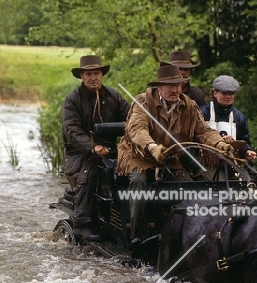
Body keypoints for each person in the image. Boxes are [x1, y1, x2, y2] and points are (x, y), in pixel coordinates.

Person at [116, 64, 232, 247]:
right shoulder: (142, 102)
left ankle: (182, 231)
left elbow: (203, 131)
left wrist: (219, 143)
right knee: (138, 180)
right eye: (170, 85)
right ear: (159, 87)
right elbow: (137, 129)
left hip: (170, 156)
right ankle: (135, 235)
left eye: (178, 85)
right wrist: (152, 147)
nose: (175, 90)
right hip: (139, 155)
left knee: (187, 184)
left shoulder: (189, 105)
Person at [62, 55, 130, 240]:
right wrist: (92, 148)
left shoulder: (113, 95)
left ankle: (128, 220)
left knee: (133, 171)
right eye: (89, 74)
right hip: (79, 154)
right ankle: (81, 223)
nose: (93, 77)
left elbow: (130, 117)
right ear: (82, 76)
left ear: (102, 75)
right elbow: (72, 131)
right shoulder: (72, 100)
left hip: (110, 150)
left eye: (97, 73)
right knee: (90, 174)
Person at [200, 75, 257, 161]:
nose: (228, 96)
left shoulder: (239, 117)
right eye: (224, 93)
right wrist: (220, 140)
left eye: (231, 93)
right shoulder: (203, 112)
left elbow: (244, 140)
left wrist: (247, 151)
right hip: (206, 161)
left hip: (231, 162)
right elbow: (197, 136)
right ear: (215, 93)